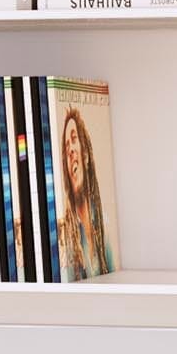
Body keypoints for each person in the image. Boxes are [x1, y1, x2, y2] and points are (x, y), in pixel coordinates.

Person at [58, 105, 113, 279]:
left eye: (74, 140)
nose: (71, 151)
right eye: (66, 149)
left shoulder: (103, 225)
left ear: (86, 156)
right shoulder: (67, 236)